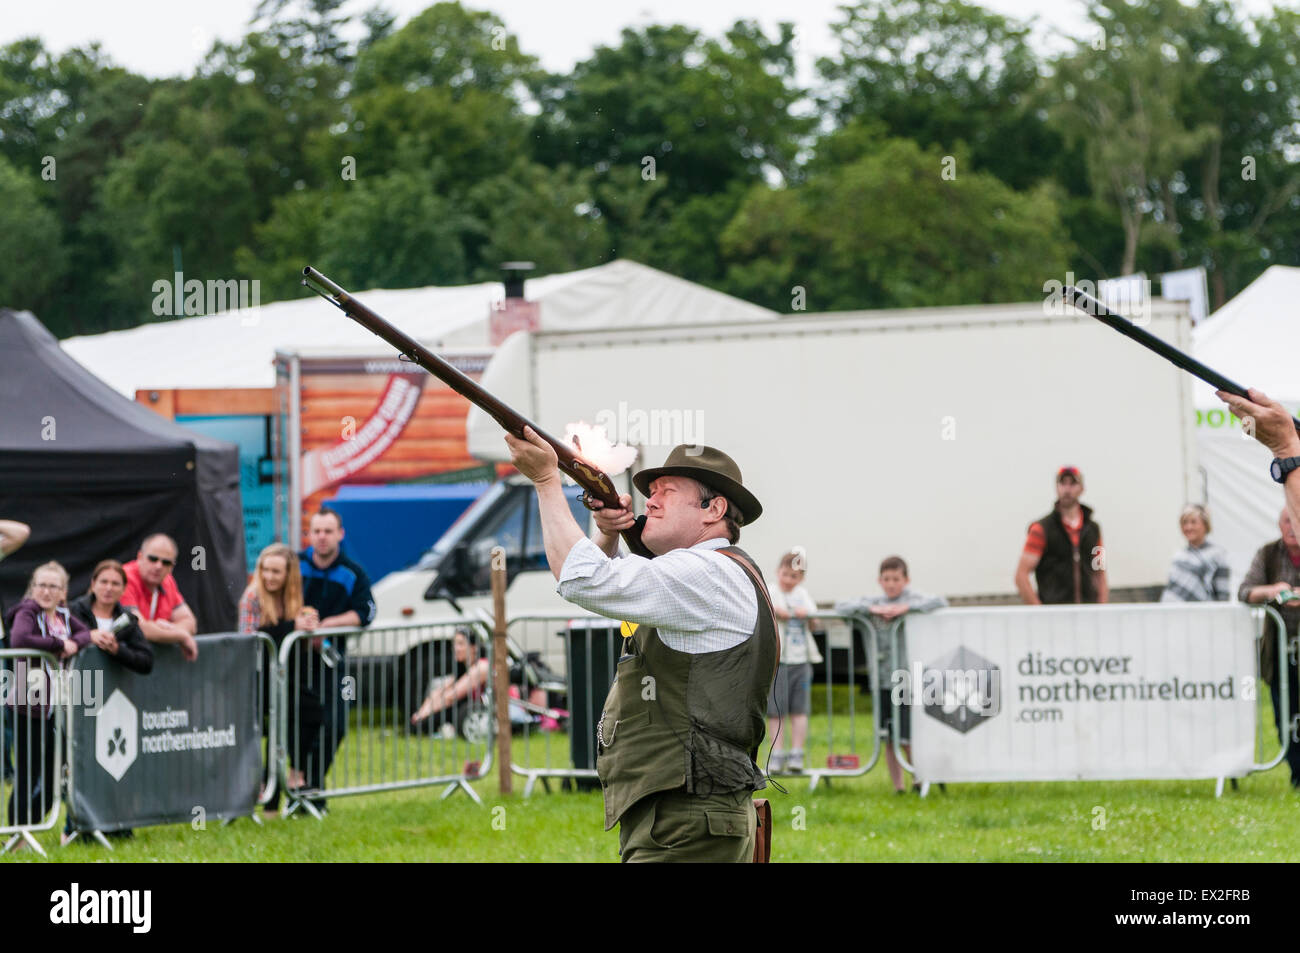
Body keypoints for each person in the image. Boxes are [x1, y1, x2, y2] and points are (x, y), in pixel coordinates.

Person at [505, 430, 777, 863]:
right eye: (651, 492)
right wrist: (610, 535)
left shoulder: (706, 572)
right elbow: (608, 590)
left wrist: (545, 482)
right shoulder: (704, 573)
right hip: (684, 812)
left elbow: (582, 579)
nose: (650, 501)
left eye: (666, 493)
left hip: (686, 816)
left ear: (714, 509)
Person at [836, 556, 947, 793]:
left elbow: (940, 602)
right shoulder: (874, 602)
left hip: (907, 681)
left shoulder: (912, 600)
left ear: (905, 580)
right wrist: (871, 609)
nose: (891, 584)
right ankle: (898, 786)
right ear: (880, 580)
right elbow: (840, 607)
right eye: (886, 579)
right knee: (888, 735)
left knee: (908, 736)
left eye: (896, 579)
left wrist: (906, 609)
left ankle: (919, 778)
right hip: (881, 681)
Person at [298, 508, 376, 809]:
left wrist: (325, 625)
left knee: (336, 725)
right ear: (310, 534)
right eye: (316, 531)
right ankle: (290, 790)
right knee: (296, 726)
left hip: (335, 663)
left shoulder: (354, 572)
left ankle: (314, 788)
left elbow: (365, 613)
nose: (321, 537)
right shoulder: (294, 564)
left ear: (340, 534)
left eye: (328, 531)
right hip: (294, 662)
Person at [2, 562, 90, 828]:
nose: (46, 591)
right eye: (41, 585)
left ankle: (35, 819)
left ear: (63, 591)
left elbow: (85, 633)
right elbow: (19, 639)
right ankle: (18, 831)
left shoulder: (63, 614)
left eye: (53, 586)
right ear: (33, 587)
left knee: (58, 766)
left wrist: (75, 642)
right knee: (28, 770)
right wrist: (60, 644)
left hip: (57, 704)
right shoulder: (27, 611)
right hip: (28, 703)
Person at [238, 543, 320, 810]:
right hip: (255, 676)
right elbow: (249, 641)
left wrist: (308, 629)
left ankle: (291, 776)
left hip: (283, 675)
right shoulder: (252, 597)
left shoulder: (294, 599)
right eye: (265, 570)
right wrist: (290, 627)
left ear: (289, 575)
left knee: (312, 713)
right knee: (273, 731)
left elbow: (297, 643)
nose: (269, 577)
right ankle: (269, 796)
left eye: (276, 572)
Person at [1239, 508, 1300, 788]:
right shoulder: (1268, 554)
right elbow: (1245, 591)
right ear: (1279, 524)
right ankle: (1297, 773)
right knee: (1284, 713)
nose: (1291, 527)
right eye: (1286, 521)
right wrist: (1272, 590)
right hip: (1279, 649)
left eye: (1295, 520)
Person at [1015, 466, 1109, 605]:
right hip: (1055, 616)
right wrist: (1040, 611)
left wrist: (1102, 610)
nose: (1067, 489)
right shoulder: (1041, 530)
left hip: (1088, 613)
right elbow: (1021, 576)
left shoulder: (1094, 530)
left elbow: (1100, 573)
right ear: (1056, 487)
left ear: (1082, 489)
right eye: (1062, 483)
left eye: (1072, 483)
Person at [767, 550, 821, 774]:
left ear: (801, 579)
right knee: (775, 710)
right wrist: (775, 612)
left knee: (799, 709)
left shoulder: (803, 595)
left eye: (794, 576)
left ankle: (796, 752)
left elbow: (815, 622)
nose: (788, 580)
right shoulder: (770, 591)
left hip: (801, 659)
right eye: (785, 574)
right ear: (778, 572)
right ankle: (777, 753)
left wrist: (805, 615)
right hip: (778, 660)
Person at [121, 534, 198, 661]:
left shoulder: (168, 581)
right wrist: (181, 635)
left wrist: (167, 629)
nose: (158, 566)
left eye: (166, 562)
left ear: (172, 567)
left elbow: (190, 623)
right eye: (153, 559)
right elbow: (138, 628)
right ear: (140, 557)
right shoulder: (123, 578)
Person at [410, 628, 490, 736]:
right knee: (422, 722)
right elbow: (439, 691)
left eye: (461, 644)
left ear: (474, 647)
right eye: (455, 644)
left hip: (486, 712)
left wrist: (425, 714)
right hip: (472, 711)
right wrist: (421, 713)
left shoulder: (481, 667)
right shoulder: (463, 668)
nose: (456, 648)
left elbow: (452, 696)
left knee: (434, 716)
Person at [1160, 504, 1231, 603]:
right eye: (1184, 522)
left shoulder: (1217, 555)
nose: (1188, 527)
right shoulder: (1178, 556)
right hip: (1172, 613)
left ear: (1205, 525)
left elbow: (1223, 594)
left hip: (1200, 614)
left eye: (1194, 522)